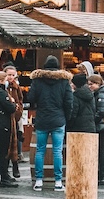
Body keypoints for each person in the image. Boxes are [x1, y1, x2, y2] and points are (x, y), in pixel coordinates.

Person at [27, 55, 74, 191]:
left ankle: (39, 180)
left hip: (42, 119)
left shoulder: (37, 81)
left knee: (40, 150)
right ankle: (58, 181)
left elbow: (30, 98)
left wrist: (37, 105)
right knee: (57, 151)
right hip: (58, 119)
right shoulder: (64, 82)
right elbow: (69, 102)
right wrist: (67, 117)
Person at [2, 62, 25, 179]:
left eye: (12, 75)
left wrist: (18, 112)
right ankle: (5, 170)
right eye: (8, 75)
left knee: (15, 143)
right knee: (6, 145)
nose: (10, 77)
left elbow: (20, 101)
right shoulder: (2, 88)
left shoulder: (16, 87)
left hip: (15, 119)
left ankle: (15, 166)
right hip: (5, 119)